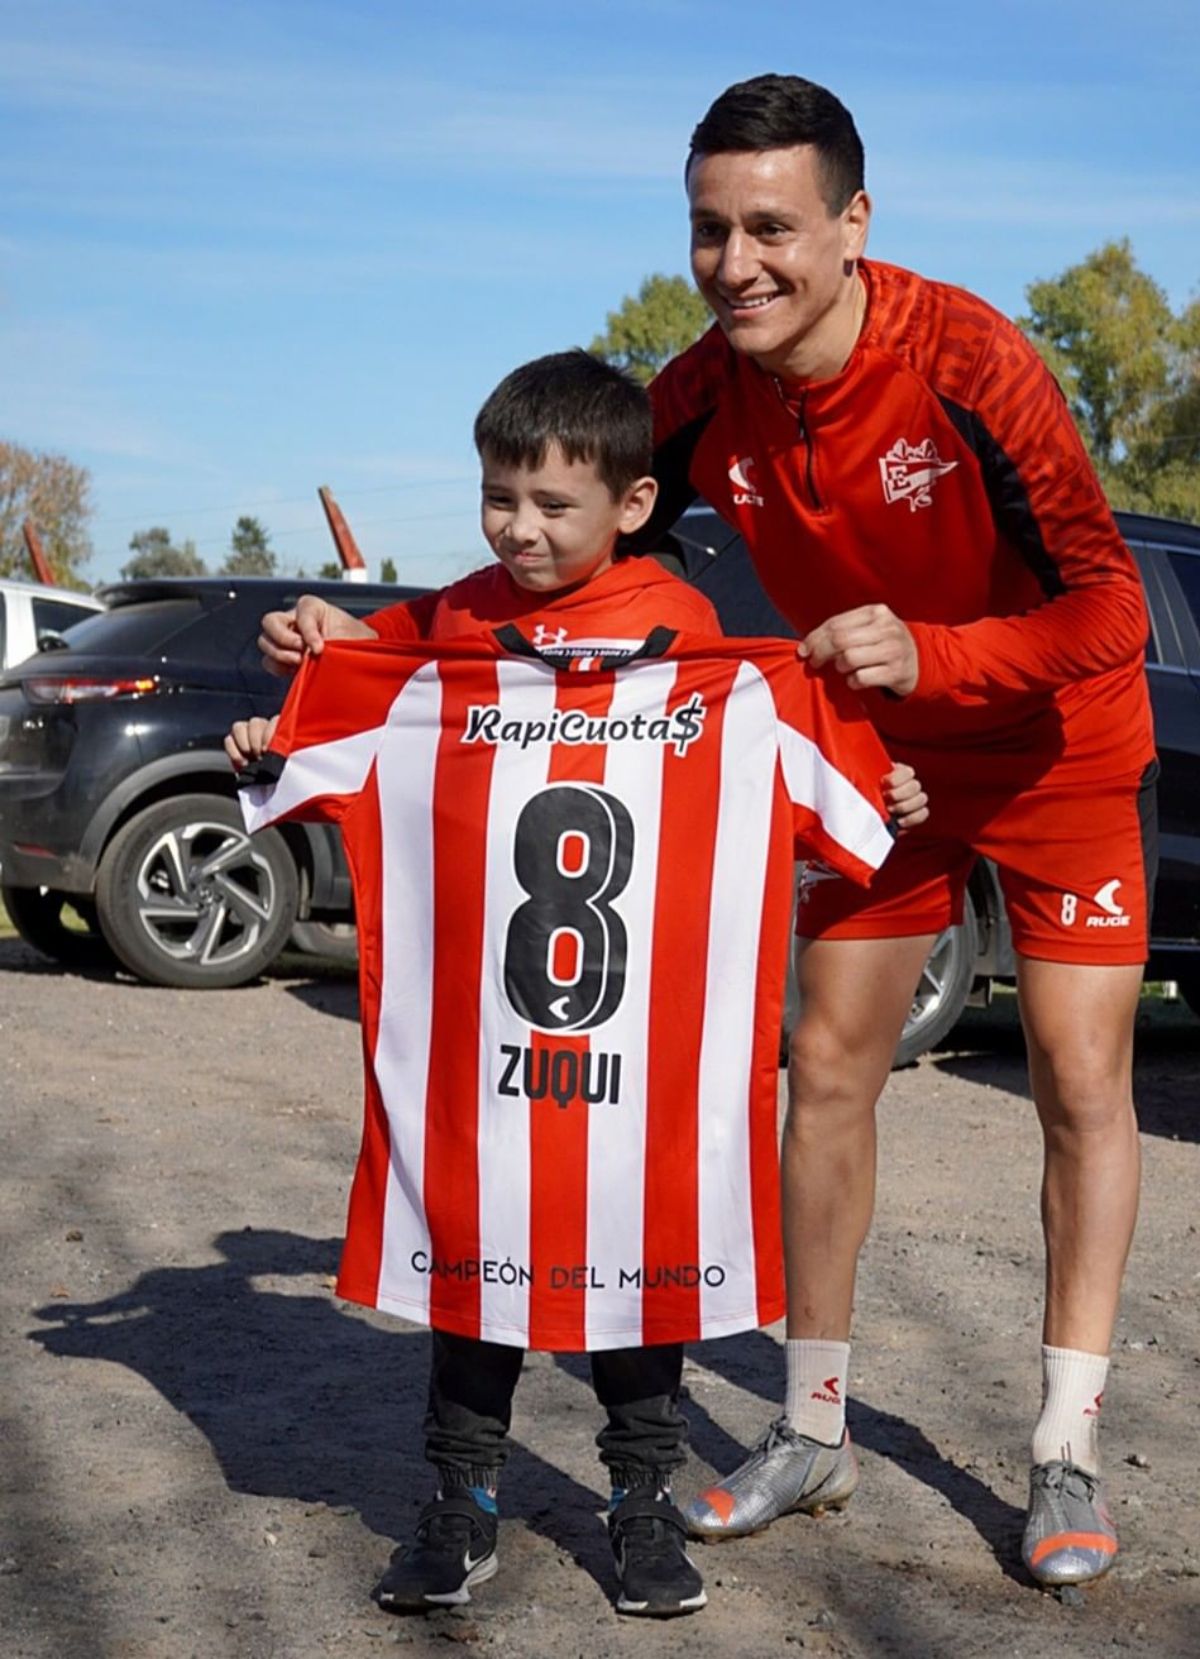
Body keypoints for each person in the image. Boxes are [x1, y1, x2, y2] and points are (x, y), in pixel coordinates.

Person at [229, 348, 929, 1619]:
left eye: (555, 505)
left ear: (633, 504)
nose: (521, 527)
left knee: (638, 1268)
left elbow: (782, 777)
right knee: (475, 1268)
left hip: (642, 1046)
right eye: (500, 496)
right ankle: (461, 1503)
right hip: (484, 1040)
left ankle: (640, 1498)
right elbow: (348, 694)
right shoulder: (448, 623)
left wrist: (877, 782)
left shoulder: (698, 634)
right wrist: (295, 689)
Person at [643, 74, 1155, 1590]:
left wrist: (943, 655)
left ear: (854, 223)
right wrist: (365, 657)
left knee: (1076, 1075)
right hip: (886, 767)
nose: (737, 264)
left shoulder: (972, 359)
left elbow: (1111, 602)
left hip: (1057, 748)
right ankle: (813, 1427)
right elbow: (572, 565)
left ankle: (1063, 1445)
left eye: (773, 230)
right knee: (827, 1067)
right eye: (710, 231)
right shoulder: (692, 397)